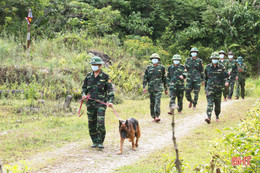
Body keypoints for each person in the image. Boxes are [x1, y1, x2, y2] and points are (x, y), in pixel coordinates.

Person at [82, 56, 114, 149]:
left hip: (101, 103)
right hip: (90, 103)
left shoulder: (105, 76)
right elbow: (84, 88)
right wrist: (83, 94)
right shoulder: (88, 76)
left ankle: (100, 141)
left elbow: (110, 90)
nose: (94, 66)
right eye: (93, 65)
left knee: (100, 122)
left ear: (100, 65)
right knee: (91, 122)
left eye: (96, 64)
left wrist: (110, 101)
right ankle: (94, 140)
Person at [204, 52, 229, 124]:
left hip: (218, 89)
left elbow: (226, 76)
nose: (214, 60)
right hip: (210, 88)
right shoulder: (207, 67)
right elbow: (205, 79)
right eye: (213, 59)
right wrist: (205, 88)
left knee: (217, 104)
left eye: (216, 59)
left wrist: (226, 82)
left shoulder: (222, 67)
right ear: (211, 59)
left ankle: (217, 116)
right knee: (210, 103)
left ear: (218, 59)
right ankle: (208, 117)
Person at [143, 53, 168, 122]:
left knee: (157, 101)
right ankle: (153, 116)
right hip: (151, 88)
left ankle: (157, 115)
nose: (154, 60)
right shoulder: (148, 68)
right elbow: (145, 78)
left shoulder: (162, 68)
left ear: (158, 60)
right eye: (153, 59)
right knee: (152, 102)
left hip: (159, 87)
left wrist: (166, 88)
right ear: (151, 60)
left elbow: (164, 79)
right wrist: (144, 87)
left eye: (156, 59)